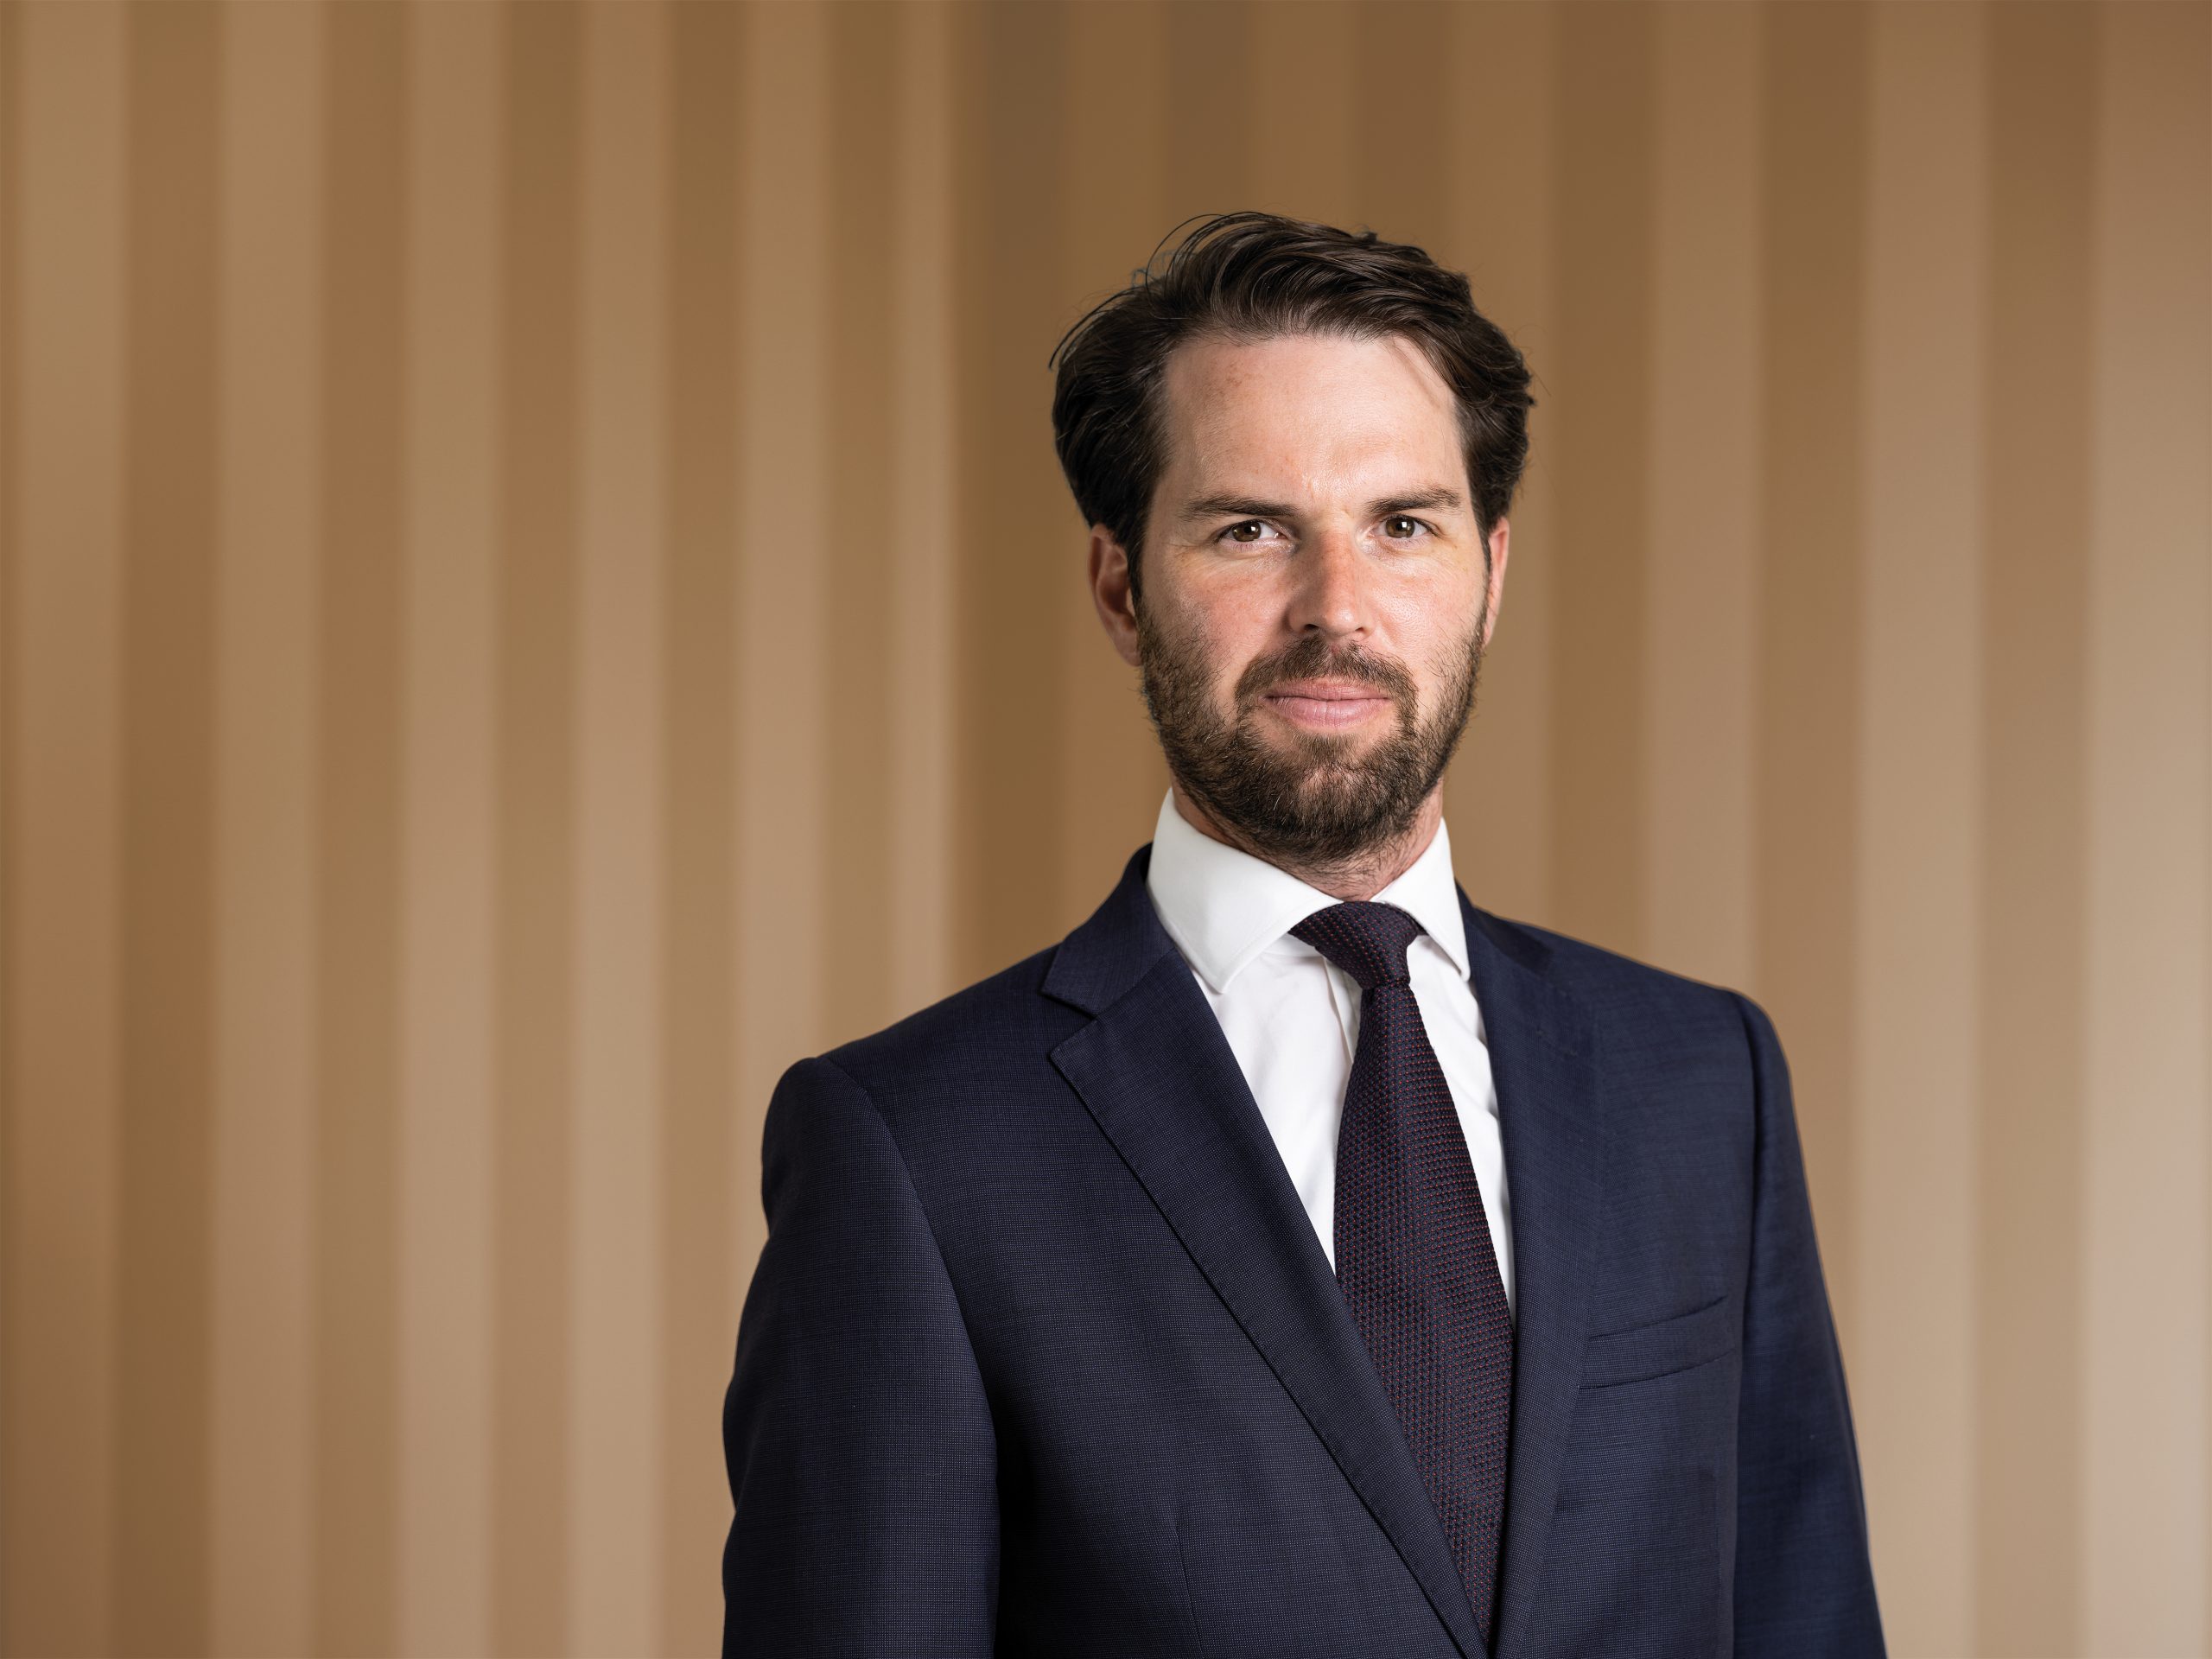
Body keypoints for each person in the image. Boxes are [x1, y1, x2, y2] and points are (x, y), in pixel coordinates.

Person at [721, 212, 1883, 1657]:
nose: (1338, 610)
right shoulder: (912, 1146)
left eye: (1403, 526)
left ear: (1490, 573)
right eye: (1250, 529)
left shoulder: (1705, 1080)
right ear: (1121, 590)